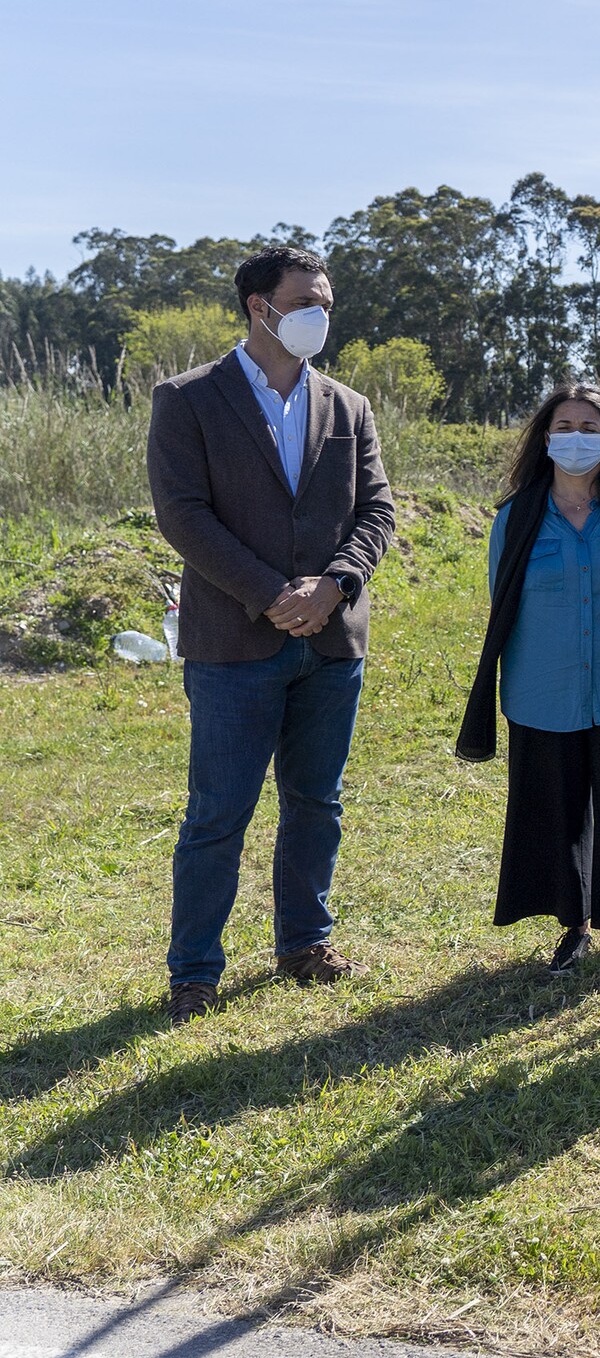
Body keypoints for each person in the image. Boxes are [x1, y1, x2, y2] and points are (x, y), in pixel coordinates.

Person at [146, 245, 396, 1024]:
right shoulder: (187, 399)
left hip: (329, 642)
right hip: (233, 642)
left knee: (317, 802)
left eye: (327, 300)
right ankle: (194, 972)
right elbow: (183, 515)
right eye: (309, 300)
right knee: (218, 814)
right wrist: (270, 594)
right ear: (261, 306)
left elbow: (377, 511)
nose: (322, 313)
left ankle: (304, 943)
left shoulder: (348, 407)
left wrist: (337, 583)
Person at [456, 385, 600, 975]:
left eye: (590, 428)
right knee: (557, 811)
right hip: (542, 691)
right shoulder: (516, 517)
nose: (577, 438)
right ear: (546, 438)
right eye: (566, 426)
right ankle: (574, 927)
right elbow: (501, 599)